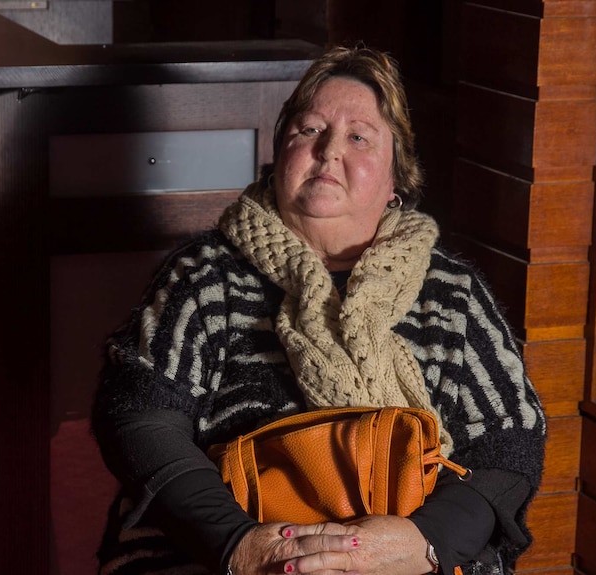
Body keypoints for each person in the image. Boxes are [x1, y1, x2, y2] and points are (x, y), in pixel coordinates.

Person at [91, 45, 546, 575]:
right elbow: (140, 416)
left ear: (397, 178)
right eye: (309, 131)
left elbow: (510, 444)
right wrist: (238, 544)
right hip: (231, 546)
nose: (329, 152)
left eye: (358, 137)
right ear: (280, 153)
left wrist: (424, 542)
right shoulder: (206, 276)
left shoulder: (453, 293)